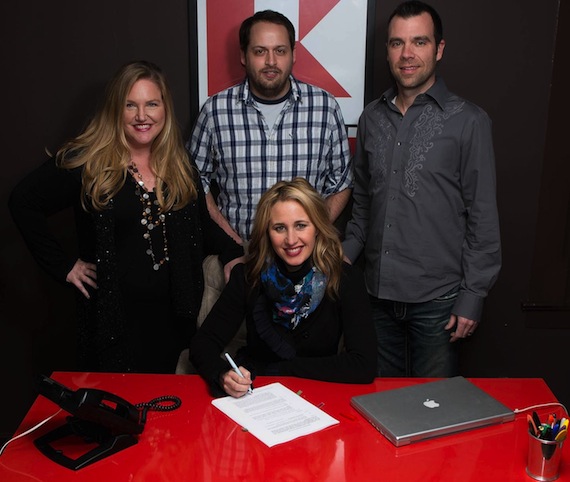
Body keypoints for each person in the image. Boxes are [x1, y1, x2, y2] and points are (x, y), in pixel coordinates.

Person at [8, 60, 243, 374]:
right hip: (113, 326)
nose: (142, 116)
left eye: (151, 104)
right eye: (130, 105)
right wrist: (64, 267)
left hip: (174, 322)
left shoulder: (179, 162)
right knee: (118, 416)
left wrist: (232, 254)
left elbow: (201, 226)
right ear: (115, 110)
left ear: (165, 109)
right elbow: (23, 202)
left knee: (171, 411)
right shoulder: (88, 161)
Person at [343, 1, 501, 377]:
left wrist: (473, 296)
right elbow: (363, 203)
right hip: (376, 296)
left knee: (433, 412)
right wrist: (342, 259)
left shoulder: (469, 122)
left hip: (440, 302)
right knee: (379, 408)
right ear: (387, 51)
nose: (407, 54)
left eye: (420, 42)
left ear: (439, 49)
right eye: (397, 43)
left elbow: (483, 217)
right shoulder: (371, 117)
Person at [190, 178, 376, 397]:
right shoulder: (249, 276)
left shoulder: (345, 278)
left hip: (320, 393)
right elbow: (202, 344)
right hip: (257, 395)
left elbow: (364, 365)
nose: (290, 239)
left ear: (317, 227)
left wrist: (281, 370)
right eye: (279, 228)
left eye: (300, 225)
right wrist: (222, 375)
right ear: (267, 232)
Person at [187, 9, 352, 245]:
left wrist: (309, 235)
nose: (271, 61)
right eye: (260, 51)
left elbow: (342, 182)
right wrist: (231, 244)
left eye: (280, 51)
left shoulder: (325, 108)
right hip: (239, 258)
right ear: (243, 56)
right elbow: (194, 181)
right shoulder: (215, 111)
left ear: (293, 55)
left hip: (305, 260)